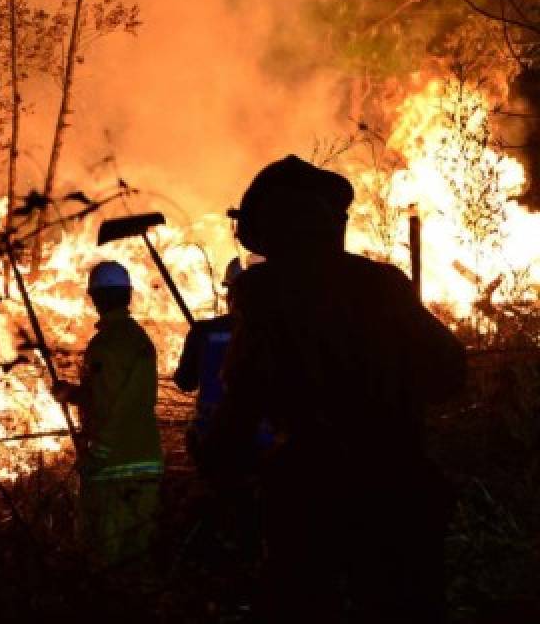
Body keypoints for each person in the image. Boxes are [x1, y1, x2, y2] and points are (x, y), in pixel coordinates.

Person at [204, 155, 466, 623]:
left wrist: (218, 463)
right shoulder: (385, 285)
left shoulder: (266, 296)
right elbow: (449, 373)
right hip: (400, 485)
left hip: (313, 494)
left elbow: (242, 404)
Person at [53, 260, 163, 567]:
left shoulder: (104, 346)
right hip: (147, 455)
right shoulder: (140, 340)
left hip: (115, 463)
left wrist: (97, 453)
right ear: (128, 295)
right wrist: (73, 394)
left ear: (94, 298)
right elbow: (127, 394)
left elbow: (110, 404)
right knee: (141, 553)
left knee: (106, 552)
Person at [174, 257, 271, 468]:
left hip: (211, 438)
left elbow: (185, 382)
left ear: (231, 293)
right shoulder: (276, 334)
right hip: (262, 442)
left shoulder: (203, 331)